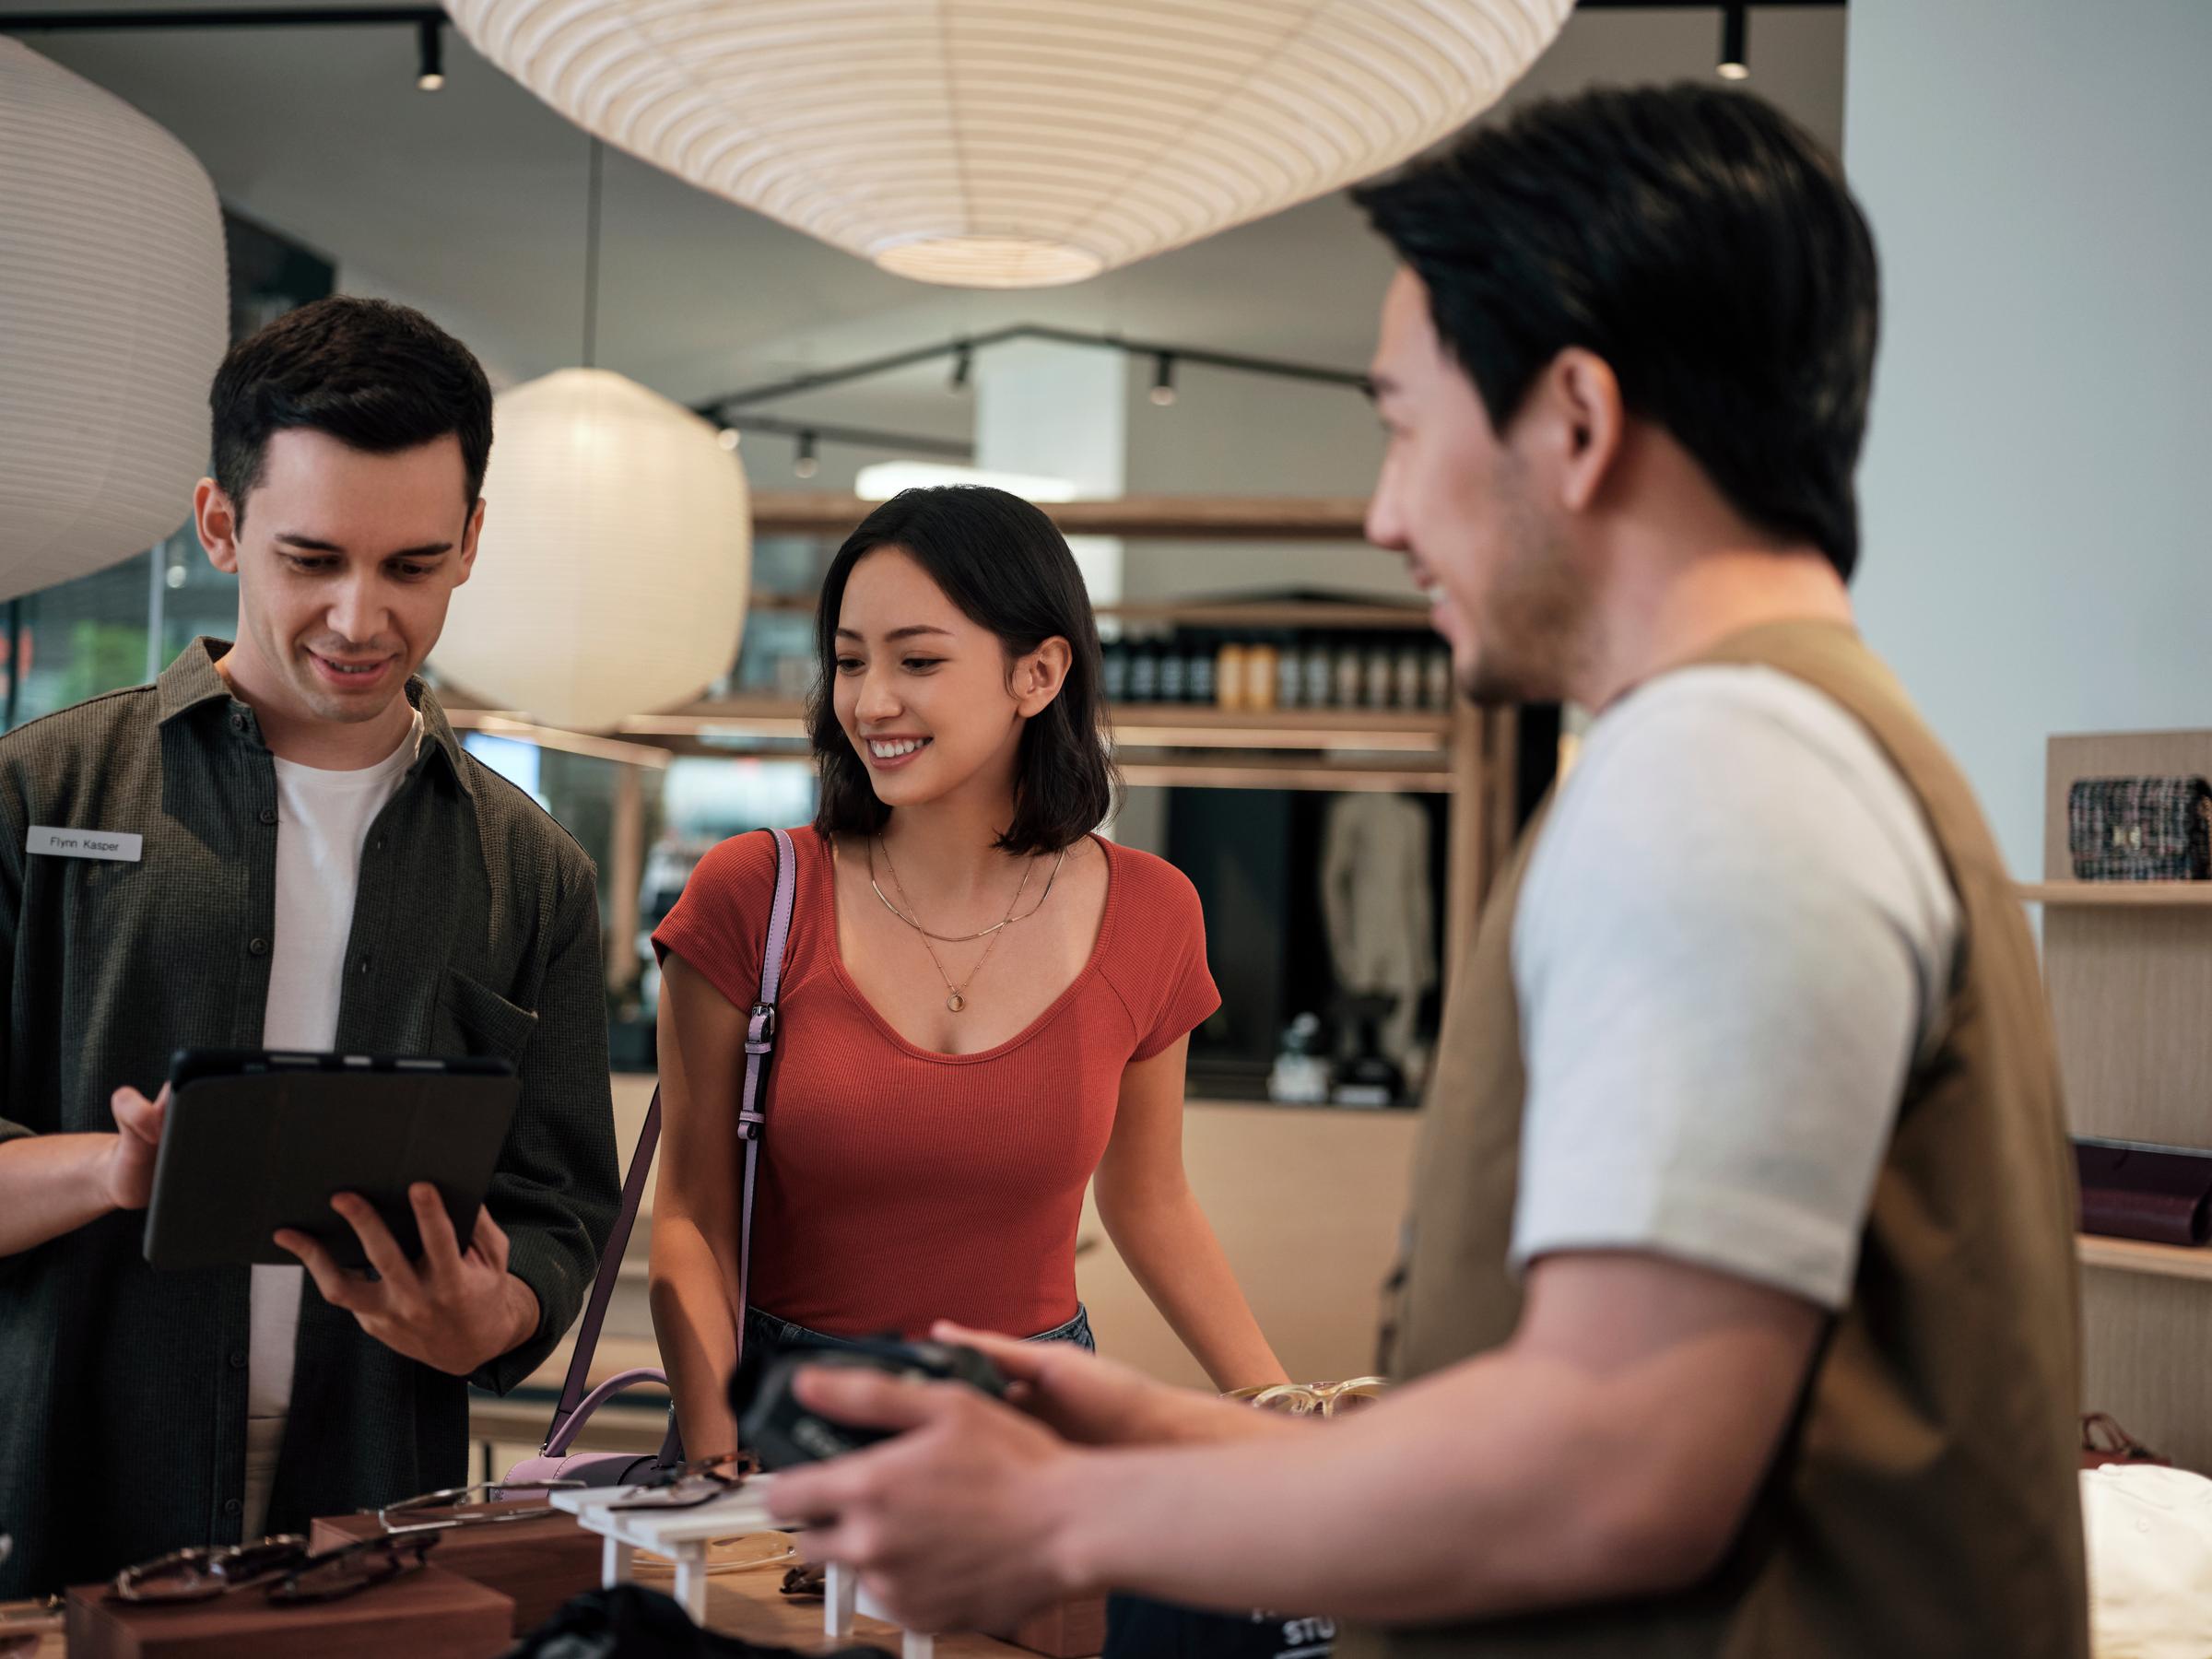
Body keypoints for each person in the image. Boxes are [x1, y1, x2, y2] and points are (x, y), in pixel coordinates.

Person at [759, 85, 2091, 1658]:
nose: (1387, 512)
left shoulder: (1721, 779)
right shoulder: (1825, 747)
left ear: (1577, 423)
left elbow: (1619, 1470)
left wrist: (1062, 1519)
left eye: (1401, 423)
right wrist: (1183, 1435)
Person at [0, 296, 619, 1595]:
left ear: (470, 545)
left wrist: (487, 1316)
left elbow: (560, 1217)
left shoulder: (534, 873)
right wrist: (114, 1170)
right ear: (220, 525)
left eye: (410, 567)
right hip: (58, 1488)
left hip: (372, 1507)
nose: (359, 617)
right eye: (312, 558)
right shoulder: (39, 795)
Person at [649, 486, 1287, 1459]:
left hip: (1027, 1423)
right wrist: (714, 1462)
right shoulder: (755, 895)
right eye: (850, 660)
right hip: (780, 1418)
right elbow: (690, 1216)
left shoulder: (1154, 913)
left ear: (1038, 673)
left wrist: (1279, 1405)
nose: (869, 701)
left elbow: (1150, 1198)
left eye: (918, 661)